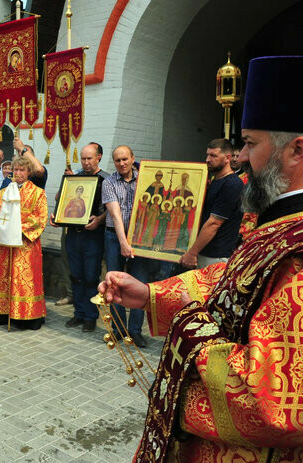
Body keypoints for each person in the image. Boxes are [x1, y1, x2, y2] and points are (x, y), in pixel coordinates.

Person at [98, 55, 303, 463]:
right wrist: (151, 295)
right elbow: (233, 282)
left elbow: (275, 405)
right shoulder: (280, 224)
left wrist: (189, 335)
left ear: (297, 150)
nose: (241, 157)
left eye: (249, 143)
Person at [0, 156, 47, 329]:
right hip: (7, 244)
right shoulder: (3, 192)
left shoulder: (38, 193)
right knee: (5, 277)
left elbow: (41, 218)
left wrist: (18, 228)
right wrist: (6, 228)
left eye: (22, 170)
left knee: (25, 280)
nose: (19, 173)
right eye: (16, 170)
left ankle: (27, 316)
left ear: (28, 172)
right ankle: (4, 312)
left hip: (26, 244)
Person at [58, 143, 109, 331]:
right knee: (76, 276)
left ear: (99, 157)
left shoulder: (107, 180)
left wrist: (100, 219)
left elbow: (112, 209)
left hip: (93, 235)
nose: (86, 162)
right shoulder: (76, 177)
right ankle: (78, 313)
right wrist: (66, 184)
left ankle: (90, 316)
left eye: (89, 158)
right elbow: (61, 201)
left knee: (90, 276)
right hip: (73, 233)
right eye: (83, 158)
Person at [102, 145, 147, 347]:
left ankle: (135, 331)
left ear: (132, 158)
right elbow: (115, 215)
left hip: (141, 239)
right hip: (114, 237)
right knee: (115, 283)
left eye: (125, 159)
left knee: (139, 284)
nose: (121, 164)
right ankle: (118, 329)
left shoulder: (145, 179)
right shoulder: (109, 182)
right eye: (117, 160)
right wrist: (123, 242)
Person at [178, 139, 244, 269]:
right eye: (207, 155)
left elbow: (214, 223)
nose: (208, 159)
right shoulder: (216, 181)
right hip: (204, 251)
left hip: (216, 255)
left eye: (213, 155)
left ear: (227, 158)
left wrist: (192, 253)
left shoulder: (232, 184)